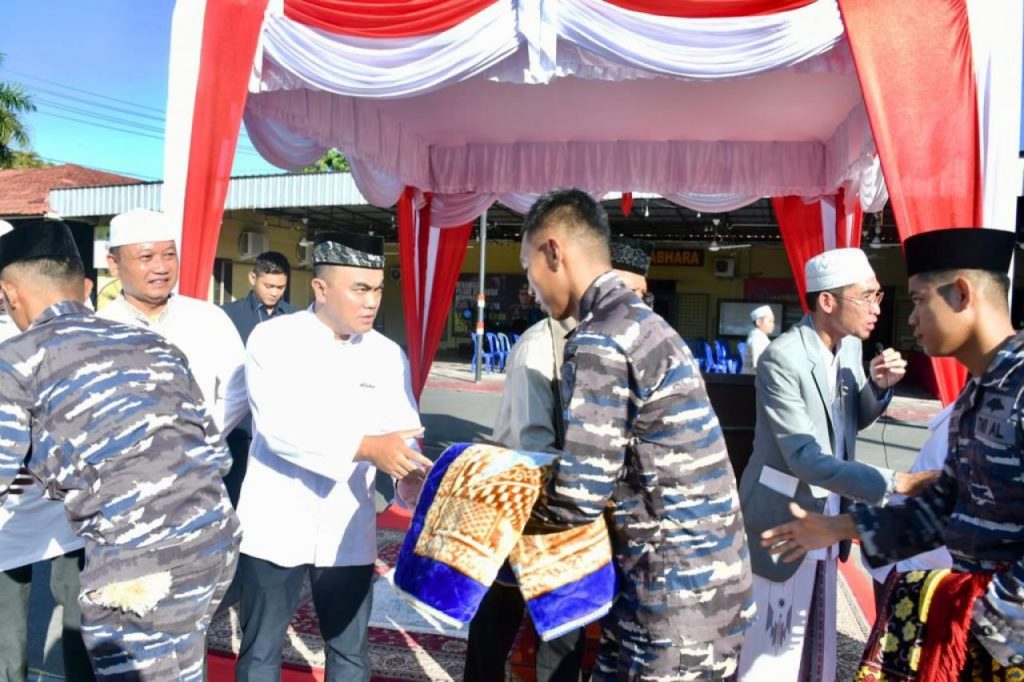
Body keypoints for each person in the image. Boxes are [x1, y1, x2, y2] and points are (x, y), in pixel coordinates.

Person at [761, 227, 1024, 678]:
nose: (910, 318)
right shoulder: (979, 391)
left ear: (962, 294)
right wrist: (841, 527)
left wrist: (983, 614)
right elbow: (945, 505)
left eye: (919, 300)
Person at [520, 189, 753, 680]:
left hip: (672, 599)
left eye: (528, 269)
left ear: (553, 252)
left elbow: (580, 495)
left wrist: (488, 505)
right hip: (689, 585)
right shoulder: (644, 323)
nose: (531, 288)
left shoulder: (602, 337)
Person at [0, 219, 239, 681]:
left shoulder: (17, 359)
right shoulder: (152, 342)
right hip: (212, 541)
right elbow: (215, 449)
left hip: (135, 568)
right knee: (183, 669)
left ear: (10, 292)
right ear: (82, 286)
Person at [234, 230, 432, 681]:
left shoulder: (387, 355)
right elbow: (280, 427)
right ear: (320, 288)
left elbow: (404, 432)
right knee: (261, 651)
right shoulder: (273, 339)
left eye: (377, 289)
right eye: (360, 289)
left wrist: (410, 474)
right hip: (276, 522)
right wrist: (367, 447)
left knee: (349, 652)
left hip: (348, 526)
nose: (372, 302)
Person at [464, 235, 657, 681]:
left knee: (565, 635)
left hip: (581, 508)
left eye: (642, 296)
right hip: (525, 508)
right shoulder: (541, 346)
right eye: (625, 292)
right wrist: (600, 487)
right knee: (497, 626)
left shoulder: (624, 348)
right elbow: (533, 444)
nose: (633, 306)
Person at [736, 247, 934, 681]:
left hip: (828, 512)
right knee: (770, 651)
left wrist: (877, 388)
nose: (877, 308)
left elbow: (849, 422)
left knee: (813, 639)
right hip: (784, 513)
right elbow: (805, 457)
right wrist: (895, 482)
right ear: (827, 301)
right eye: (867, 296)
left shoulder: (848, 349)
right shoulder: (783, 357)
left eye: (878, 296)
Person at [0, 218, 93, 681]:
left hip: (66, 503)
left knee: (79, 614)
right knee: (6, 629)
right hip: (9, 507)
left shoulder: (56, 322)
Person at [98, 208, 247, 438]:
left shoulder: (208, 319)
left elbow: (239, 387)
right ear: (114, 264)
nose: (161, 268)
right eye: (146, 257)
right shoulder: (96, 331)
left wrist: (203, 438)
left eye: (169, 255)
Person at [220, 250, 296, 505]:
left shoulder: (297, 320)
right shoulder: (227, 316)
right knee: (234, 497)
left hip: (282, 428)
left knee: (276, 501)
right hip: (239, 428)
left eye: (280, 287)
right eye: (269, 286)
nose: (274, 292)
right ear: (253, 278)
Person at [741, 304, 774, 374]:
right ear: (758, 322)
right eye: (770, 321)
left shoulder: (761, 337)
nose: (772, 325)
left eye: (773, 322)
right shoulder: (756, 338)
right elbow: (757, 364)